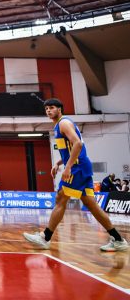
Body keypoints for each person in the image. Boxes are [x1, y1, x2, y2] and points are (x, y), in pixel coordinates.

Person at [24, 99, 128, 253]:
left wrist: (68, 167)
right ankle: (118, 240)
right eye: (46, 109)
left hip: (77, 168)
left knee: (61, 198)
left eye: (51, 107)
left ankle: (45, 237)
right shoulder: (60, 125)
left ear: (60, 109)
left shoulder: (63, 123)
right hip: (82, 166)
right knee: (91, 204)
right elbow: (71, 149)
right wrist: (59, 163)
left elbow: (78, 144)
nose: (48, 111)